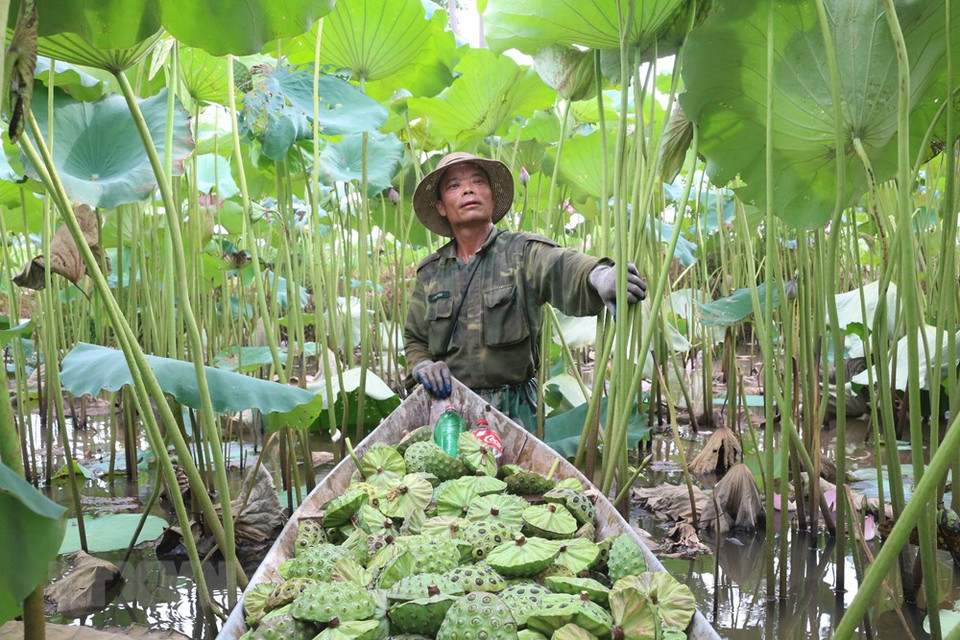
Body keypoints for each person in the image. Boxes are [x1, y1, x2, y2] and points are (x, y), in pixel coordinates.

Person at [404, 152, 646, 432]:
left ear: (492, 197)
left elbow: (563, 265)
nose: (468, 190)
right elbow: (415, 339)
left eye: (478, 181)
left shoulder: (522, 252)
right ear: (441, 207)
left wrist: (600, 275)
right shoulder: (431, 273)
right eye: (454, 185)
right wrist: (423, 365)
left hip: (515, 412)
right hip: (450, 411)